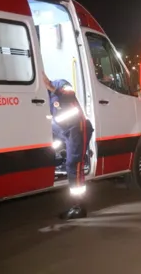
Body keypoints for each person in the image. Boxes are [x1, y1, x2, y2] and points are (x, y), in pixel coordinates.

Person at [43, 72, 94, 220]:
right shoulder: (42, 94)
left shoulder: (59, 83)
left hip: (77, 128)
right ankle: (77, 155)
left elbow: (70, 94)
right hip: (64, 131)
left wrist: (53, 89)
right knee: (70, 161)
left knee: (74, 165)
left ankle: (79, 207)